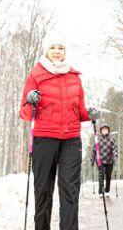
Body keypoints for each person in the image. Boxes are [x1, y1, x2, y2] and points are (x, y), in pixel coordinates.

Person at [19, 34, 91, 230]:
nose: (57, 51)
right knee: (43, 190)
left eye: (61, 47)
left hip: (71, 140)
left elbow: (81, 109)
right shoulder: (36, 74)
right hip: (44, 137)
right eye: (53, 47)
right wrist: (30, 99)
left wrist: (90, 113)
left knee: (70, 190)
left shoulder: (74, 76)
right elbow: (25, 111)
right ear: (46, 51)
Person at [92, 124, 118, 197]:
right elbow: (95, 149)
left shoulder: (111, 139)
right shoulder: (98, 139)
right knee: (101, 175)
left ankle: (107, 190)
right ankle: (101, 191)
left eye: (106, 130)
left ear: (108, 131)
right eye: (103, 130)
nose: (104, 131)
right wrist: (93, 158)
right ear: (101, 131)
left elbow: (114, 149)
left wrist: (115, 156)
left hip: (109, 160)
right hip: (100, 161)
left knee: (108, 176)